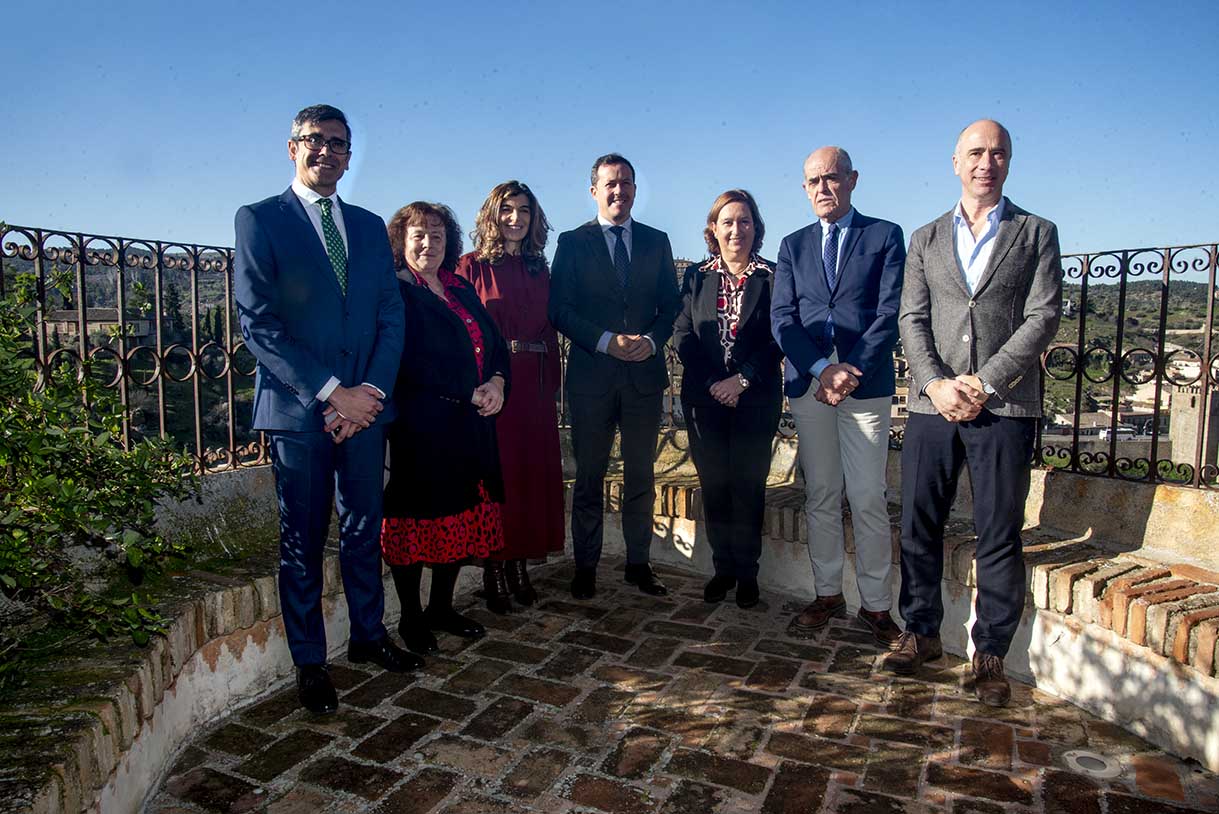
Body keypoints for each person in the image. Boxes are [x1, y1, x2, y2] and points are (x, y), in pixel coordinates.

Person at [234, 104, 419, 716]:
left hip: (367, 411)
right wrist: (332, 392)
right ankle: (310, 662)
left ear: (349, 154)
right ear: (292, 147)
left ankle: (368, 636)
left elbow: (391, 317)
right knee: (303, 539)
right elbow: (258, 325)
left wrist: (370, 395)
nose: (327, 152)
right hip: (298, 412)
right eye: (315, 141)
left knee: (366, 529)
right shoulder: (260, 220)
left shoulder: (368, 228)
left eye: (339, 144)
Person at [885, 119, 1062, 707]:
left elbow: (1043, 317)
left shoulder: (1036, 232)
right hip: (933, 406)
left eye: (999, 153)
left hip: (1004, 406)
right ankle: (920, 633)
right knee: (918, 523)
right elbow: (911, 319)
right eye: (976, 153)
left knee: (999, 531)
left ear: (1009, 163)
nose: (988, 162)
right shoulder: (925, 238)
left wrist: (983, 384)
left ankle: (990, 654)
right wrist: (935, 384)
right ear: (955, 163)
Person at [771, 146, 907, 648]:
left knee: (867, 497)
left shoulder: (884, 236)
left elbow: (889, 314)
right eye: (812, 181)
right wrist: (822, 369)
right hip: (810, 386)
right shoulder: (792, 246)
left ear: (852, 180)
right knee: (822, 494)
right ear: (804, 189)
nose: (822, 188)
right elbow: (782, 318)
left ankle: (876, 606)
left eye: (831, 178)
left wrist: (849, 370)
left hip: (864, 386)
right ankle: (827, 593)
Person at [548, 153, 681, 600]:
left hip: (644, 378)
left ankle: (638, 564)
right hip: (591, 379)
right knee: (589, 476)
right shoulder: (571, 242)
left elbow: (672, 306)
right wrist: (605, 340)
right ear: (594, 191)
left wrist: (653, 339)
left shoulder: (656, 241)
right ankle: (585, 565)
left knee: (642, 475)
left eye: (626, 182)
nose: (618, 190)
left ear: (635, 189)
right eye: (610, 183)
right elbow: (559, 310)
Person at [381, 202, 511, 654]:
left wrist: (496, 381)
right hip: (423, 427)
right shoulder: (396, 290)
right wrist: (466, 389)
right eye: (418, 234)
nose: (428, 244)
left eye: (437, 235)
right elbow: (407, 361)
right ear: (401, 240)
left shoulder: (460, 287)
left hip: (471, 426)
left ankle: (441, 607)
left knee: (461, 513)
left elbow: (494, 345)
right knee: (417, 518)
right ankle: (412, 619)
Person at [456, 181, 565, 613]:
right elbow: (462, 330)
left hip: (535, 386)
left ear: (534, 218)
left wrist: (551, 386)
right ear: (492, 215)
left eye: (523, 210)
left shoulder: (542, 269)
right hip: (493, 386)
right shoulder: (470, 267)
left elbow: (551, 329)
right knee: (498, 479)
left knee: (531, 477)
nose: (515, 218)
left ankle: (521, 562)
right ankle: (494, 567)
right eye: (507, 210)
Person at [673, 190, 782, 609]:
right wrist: (716, 382)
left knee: (748, 485)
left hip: (756, 398)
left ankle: (749, 573)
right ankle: (723, 569)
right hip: (705, 399)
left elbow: (779, 337)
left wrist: (743, 379)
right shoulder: (696, 276)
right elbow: (683, 334)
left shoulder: (773, 276)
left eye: (745, 221)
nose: (737, 230)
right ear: (713, 230)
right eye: (728, 222)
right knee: (715, 486)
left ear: (756, 228)